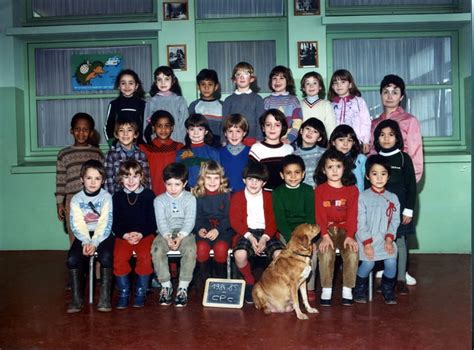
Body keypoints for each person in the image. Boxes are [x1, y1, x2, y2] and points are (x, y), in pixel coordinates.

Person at [230, 162, 284, 303]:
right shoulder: (237, 196)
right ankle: (249, 281)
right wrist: (250, 237)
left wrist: (265, 238)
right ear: (244, 180)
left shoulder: (269, 197)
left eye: (258, 180)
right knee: (239, 254)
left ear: (264, 182)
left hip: (267, 232)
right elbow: (235, 221)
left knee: (280, 255)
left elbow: (273, 221)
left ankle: (274, 285)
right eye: (250, 179)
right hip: (246, 232)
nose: (254, 183)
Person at [373, 119, 417, 295]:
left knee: (400, 243)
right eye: (382, 135)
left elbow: (412, 186)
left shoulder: (403, 158)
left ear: (397, 137)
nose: (386, 138)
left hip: (399, 212)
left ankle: (400, 279)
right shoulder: (375, 159)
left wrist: (408, 210)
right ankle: (386, 280)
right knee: (382, 244)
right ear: (377, 138)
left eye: (390, 135)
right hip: (379, 212)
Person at [66, 160, 114, 313]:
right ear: (82, 179)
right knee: (72, 259)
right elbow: (77, 223)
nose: (93, 182)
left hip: (103, 234)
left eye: (97, 178)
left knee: (106, 257)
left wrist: (95, 242)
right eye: (89, 178)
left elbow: (105, 222)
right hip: (84, 234)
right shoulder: (76, 199)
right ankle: (77, 299)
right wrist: (86, 241)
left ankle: (105, 298)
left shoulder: (107, 197)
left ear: (103, 180)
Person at [314, 149, 359, 306]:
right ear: (323, 170)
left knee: (352, 253)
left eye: (338, 166)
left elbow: (353, 215)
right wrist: (324, 236)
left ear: (344, 168)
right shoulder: (319, 190)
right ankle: (326, 290)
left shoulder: (352, 190)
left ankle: (348, 289)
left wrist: (351, 235)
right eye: (330, 167)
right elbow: (320, 216)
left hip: (347, 231)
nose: (334, 170)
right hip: (326, 231)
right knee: (325, 252)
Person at [354, 155, 400, 304]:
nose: (379, 178)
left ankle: (387, 289)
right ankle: (359, 288)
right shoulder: (362, 197)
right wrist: (367, 243)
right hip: (366, 239)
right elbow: (360, 223)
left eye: (383, 174)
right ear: (367, 176)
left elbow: (394, 221)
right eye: (375, 174)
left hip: (386, 239)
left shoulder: (393, 198)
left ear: (388, 176)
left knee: (391, 262)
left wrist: (389, 239)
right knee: (368, 263)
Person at [112, 160, 157, 309]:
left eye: (135, 176)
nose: (131, 181)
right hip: (124, 236)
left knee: (145, 256)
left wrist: (140, 233)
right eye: (126, 176)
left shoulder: (149, 195)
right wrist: (124, 235)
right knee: (119, 257)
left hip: (144, 234)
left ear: (141, 177)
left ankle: (140, 292)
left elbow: (152, 222)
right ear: (120, 178)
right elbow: (115, 223)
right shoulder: (117, 197)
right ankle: (124, 292)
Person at [151, 162, 197, 307]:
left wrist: (180, 237)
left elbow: (190, 221)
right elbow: (161, 222)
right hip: (165, 233)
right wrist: (167, 237)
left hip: (185, 232)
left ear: (185, 183)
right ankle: (166, 285)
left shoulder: (190, 198)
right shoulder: (159, 200)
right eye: (169, 184)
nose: (173, 188)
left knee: (190, 250)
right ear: (164, 183)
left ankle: (183, 287)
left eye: (177, 184)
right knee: (157, 250)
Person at [55, 112, 104, 245]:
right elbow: (60, 180)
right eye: (77, 129)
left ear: (91, 133)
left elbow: (102, 179)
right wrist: (59, 202)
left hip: (94, 199)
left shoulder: (96, 153)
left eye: (85, 129)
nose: (81, 133)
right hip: (71, 201)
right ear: (71, 131)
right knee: (75, 235)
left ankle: (96, 265)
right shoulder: (64, 154)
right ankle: (76, 264)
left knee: (95, 236)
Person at [370, 74, 424, 183]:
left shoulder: (410, 121)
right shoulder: (374, 123)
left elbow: (415, 155)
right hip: (377, 181)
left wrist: (410, 184)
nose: (390, 96)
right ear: (380, 94)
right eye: (386, 92)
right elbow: (371, 154)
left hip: (401, 178)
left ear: (401, 96)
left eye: (395, 92)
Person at [192, 160, 233, 286]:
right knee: (201, 248)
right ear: (202, 179)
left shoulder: (227, 195)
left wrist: (218, 230)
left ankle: (219, 280)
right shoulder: (198, 196)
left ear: (221, 179)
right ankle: (204, 279)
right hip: (205, 229)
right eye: (208, 178)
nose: (212, 181)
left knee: (220, 249)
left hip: (223, 229)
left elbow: (230, 218)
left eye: (216, 178)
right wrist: (199, 229)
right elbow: (196, 217)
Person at [272, 154, 315, 243]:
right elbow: (280, 221)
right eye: (288, 173)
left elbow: (311, 217)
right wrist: (291, 239)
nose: (293, 176)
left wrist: (306, 237)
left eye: (297, 172)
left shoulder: (308, 190)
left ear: (303, 174)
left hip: (306, 233)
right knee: (288, 255)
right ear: (282, 175)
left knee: (310, 255)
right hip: (286, 233)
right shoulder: (277, 193)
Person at [140, 110, 183, 196]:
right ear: (153, 128)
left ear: (172, 128)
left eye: (167, 126)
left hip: (175, 194)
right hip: (152, 194)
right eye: (159, 126)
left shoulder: (179, 147)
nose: (163, 129)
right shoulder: (144, 148)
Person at [248, 109, 294, 191]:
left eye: (277, 125)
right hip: (263, 194)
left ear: (282, 128)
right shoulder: (256, 148)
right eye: (268, 125)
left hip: (285, 193)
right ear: (263, 128)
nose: (272, 128)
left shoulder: (289, 149)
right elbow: (252, 175)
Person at [328, 69, 371, 154]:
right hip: (337, 144)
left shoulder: (359, 101)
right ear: (332, 87)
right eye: (336, 83)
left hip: (355, 142)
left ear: (350, 85)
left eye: (343, 82)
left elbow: (365, 121)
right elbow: (328, 124)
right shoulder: (330, 105)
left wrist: (366, 141)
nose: (339, 85)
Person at [222, 62, 265, 145]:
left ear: (251, 79)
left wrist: (259, 139)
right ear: (234, 80)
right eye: (238, 74)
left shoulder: (258, 99)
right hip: (233, 138)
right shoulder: (228, 100)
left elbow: (260, 121)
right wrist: (224, 140)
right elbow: (224, 121)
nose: (242, 77)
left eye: (246, 74)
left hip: (253, 139)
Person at [144, 66, 188, 143]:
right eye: (159, 79)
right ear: (155, 82)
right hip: (156, 142)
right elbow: (146, 124)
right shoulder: (151, 101)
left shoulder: (179, 100)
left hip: (176, 140)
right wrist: (148, 142)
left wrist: (184, 143)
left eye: (167, 79)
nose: (163, 83)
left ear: (173, 81)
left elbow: (184, 124)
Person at [104, 119, 150, 194]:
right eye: (121, 130)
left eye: (129, 130)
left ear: (135, 134)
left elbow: (147, 180)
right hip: (118, 198)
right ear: (116, 134)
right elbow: (108, 181)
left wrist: (147, 197)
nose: (125, 134)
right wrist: (112, 201)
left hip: (138, 197)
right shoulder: (111, 154)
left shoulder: (141, 154)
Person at [176, 114, 220, 188]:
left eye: (200, 129)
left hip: (207, 190)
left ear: (206, 131)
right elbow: (178, 176)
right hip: (188, 192)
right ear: (187, 131)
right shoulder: (181, 153)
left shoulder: (214, 153)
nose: (196, 133)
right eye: (192, 129)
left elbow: (217, 175)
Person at [104, 69, 146, 146]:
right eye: (123, 83)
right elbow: (108, 126)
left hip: (139, 146)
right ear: (119, 86)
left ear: (136, 86)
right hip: (119, 145)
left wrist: (144, 144)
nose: (127, 86)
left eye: (131, 83)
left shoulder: (142, 104)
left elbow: (145, 125)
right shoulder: (114, 104)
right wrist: (112, 142)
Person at [263, 66, 302, 144]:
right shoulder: (266, 101)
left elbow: (298, 123)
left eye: (281, 78)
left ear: (288, 81)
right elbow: (263, 123)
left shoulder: (293, 100)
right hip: (270, 140)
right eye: (274, 78)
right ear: (270, 81)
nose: (277, 81)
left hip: (289, 141)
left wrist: (289, 139)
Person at [188, 69, 223, 147]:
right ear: (198, 86)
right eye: (203, 84)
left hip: (218, 143)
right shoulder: (194, 105)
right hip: (199, 142)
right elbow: (189, 126)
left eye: (210, 84)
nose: (206, 88)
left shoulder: (222, 105)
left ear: (216, 87)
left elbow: (225, 127)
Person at [329, 124, 366, 193]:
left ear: (354, 143)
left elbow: (367, 180)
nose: (345, 144)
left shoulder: (360, 159)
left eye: (349, 140)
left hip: (359, 198)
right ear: (333, 142)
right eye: (341, 140)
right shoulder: (328, 160)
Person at [298, 71, 336, 137]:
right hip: (303, 141)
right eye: (307, 83)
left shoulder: (326, 104)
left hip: (321, 141)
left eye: (315, 83)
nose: (311, 86)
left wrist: (330, 141)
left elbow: (331, 126)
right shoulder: (298, 104)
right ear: (303, 88)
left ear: (320, 87)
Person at [219, 114, 251, 192]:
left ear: (244, 133)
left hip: (244, 194)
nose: (234, 135)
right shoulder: (219, 153)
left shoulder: (251, 153)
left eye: (238, 131)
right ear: (225, 133)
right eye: (230, 131)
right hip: (225, 194)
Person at [294, 117, 328, 188]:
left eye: (315, 131)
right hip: (302, 193)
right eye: (308, 128)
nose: (310, 132)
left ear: (319, 138)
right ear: (301, 131)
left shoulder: (325, 153)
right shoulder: (294, 155)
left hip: (320, 192)